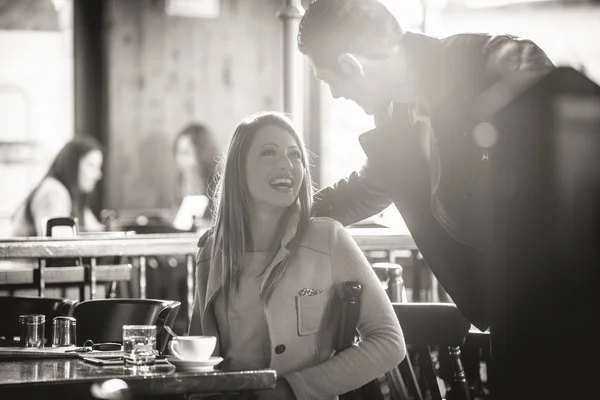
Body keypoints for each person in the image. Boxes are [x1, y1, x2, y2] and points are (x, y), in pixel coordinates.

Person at [297, 0, 556, 332]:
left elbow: (574, 157)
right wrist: (279, 218)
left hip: (569, 299)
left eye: (327, 80)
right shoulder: (395, 114)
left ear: (350, 65)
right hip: (513, 308)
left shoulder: (495, 61)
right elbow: (367, 189)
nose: (333, 95)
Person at [189, 111, 405, 400]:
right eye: (269, 153)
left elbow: (389, 342)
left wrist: (291, 390)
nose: (287, 165)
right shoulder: (211, 252)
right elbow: (199, 366)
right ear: (238, 170)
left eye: (295, 155)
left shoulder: (328, 238)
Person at [11, 135, 105, 236]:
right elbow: (57, 243)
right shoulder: (53, 192)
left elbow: (96, 231)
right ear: (72, 164)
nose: (98, 175)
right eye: (91, 166)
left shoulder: (75, 198)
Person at [173, 122, 220, 224]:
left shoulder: (222, 185)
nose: (192, 160)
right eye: (182, 153)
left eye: (198, 152)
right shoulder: (179, 182)